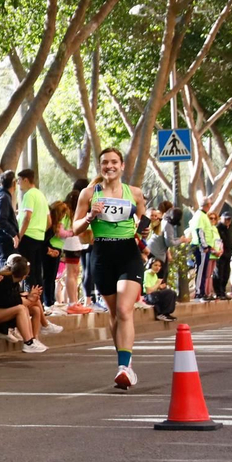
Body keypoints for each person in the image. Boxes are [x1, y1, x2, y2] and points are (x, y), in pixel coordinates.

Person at [70, 147, 150, 391]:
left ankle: (123, 368)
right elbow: (75, 229)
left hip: (128, 253)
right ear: (100, 166)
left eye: (114, 162)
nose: (109, 166)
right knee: (115, 314)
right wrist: (91, 218)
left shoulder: (134, 193)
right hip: (102, 254)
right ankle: (125, 363)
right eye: (105, 162)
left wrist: (144, 229)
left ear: (122, 166)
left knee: (125, 310)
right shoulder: (88, 193)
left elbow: (142, 222)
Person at [0, 254, 49, 353]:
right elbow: (6, 301)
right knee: (21, 308)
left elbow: (14, 298)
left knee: (33, 309)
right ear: (24, 276)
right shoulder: (4, 279)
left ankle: (33, 340)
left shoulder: (12, 280)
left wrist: (29, 298)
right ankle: (28, 343)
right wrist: (29, 300)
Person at [14, 168, 53, 295]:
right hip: (39, 237)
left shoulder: (29, 195)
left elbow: (27, 217)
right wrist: (40, 230)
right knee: (37, 271)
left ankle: (30, 300)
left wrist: (19, 236)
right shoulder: (41, 195)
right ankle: (38, 302)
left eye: (19, 180)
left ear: (26, 179)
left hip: (28, 236)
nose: (18, 183)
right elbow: (49, 222)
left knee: (27, 271)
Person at [59, 178, 92, 313]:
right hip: (72, 242)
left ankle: (74, 301)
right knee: (72, 272)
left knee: (74, 272)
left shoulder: (68, 207)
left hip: (74, 242)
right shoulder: (70, 207)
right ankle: (72, 303)